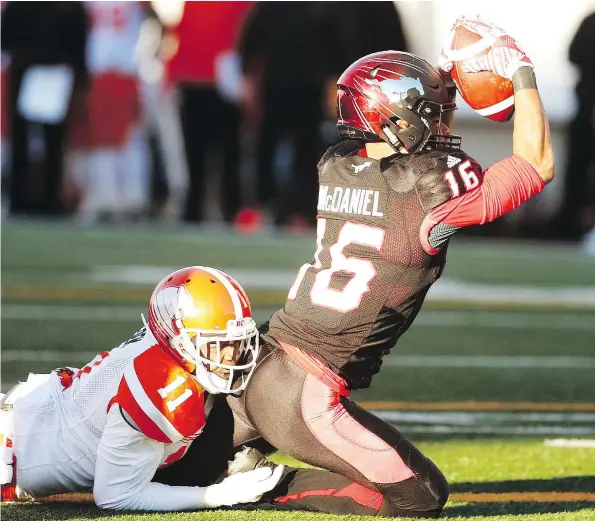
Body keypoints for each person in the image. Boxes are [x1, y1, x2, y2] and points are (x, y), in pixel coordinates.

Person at [220, 17, 554, 518]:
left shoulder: (336, 161)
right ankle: (268, 483)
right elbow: (537, 162)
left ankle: (232, 461)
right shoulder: (431, 186)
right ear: (398, 120)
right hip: (304, 395)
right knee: (421, 497)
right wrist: (522, 73)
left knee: (172, 469)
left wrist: (435, 75)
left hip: (259, 365)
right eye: (435, 114)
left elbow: (383, 144)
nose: (445, 125)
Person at [0, 266, 283, 510]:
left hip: (27, 415)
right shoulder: (160, 381)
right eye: (217, 345)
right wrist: (216, 496)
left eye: (236, 343)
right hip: (10, 454)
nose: (231, 358)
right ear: (180, 341)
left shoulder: (162, 345)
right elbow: (116, 496)